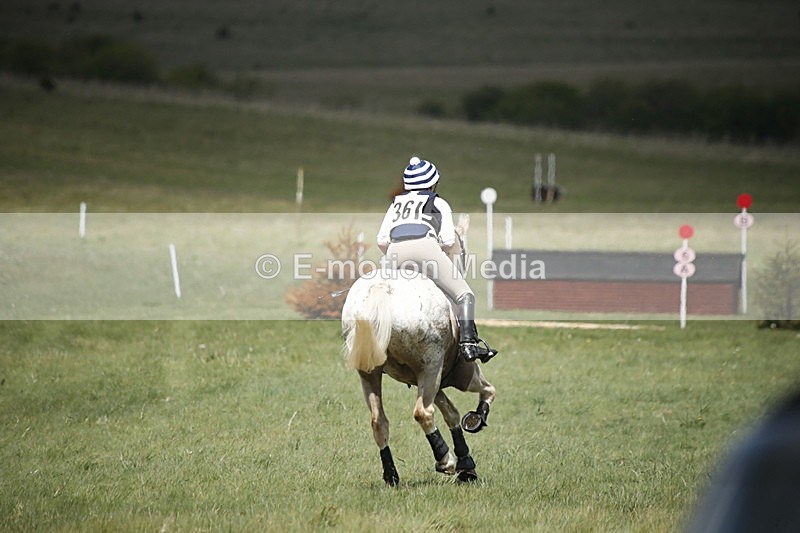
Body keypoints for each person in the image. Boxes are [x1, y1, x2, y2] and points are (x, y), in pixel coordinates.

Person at [376, 156, 498, 363]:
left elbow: (381, 241)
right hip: (426, 248)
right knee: (464, 294)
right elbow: (450, 242)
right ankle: (468, 345)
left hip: (394, 252)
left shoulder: (395, 204)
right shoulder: (439, 203)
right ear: (432, 183)